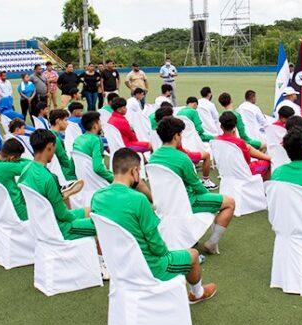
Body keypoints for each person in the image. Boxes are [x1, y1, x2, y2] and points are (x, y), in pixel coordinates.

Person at [91, 147, 217, 303]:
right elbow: (157, 247)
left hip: (119, 267)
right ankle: (197, 294)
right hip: (149, 268)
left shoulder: (97, 198)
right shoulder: (138, 200)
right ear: (134, 171)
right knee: (193, 255)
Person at [150, 117, 234, 253]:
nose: (181, 137)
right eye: (181, 134)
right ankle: (212, 243)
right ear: (176, 136)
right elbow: (197, 187)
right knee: (229, 203)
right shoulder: (182, 158)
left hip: (165, 204)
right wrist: (213, 200)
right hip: (186, 202)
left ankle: (192, 237)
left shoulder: (154, 157)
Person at [18, 130, 95, 242]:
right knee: (101, 223)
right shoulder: (49, 178)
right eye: (55, 147)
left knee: (92, 210)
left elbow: (22, 199)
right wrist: (76, 218)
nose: (54, 152)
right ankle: (98, 256)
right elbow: (63, 215)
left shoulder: (26, 170)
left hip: (43, 225)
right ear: (49, 146)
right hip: (60, 229)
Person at [154, 107, 216, 189]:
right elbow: (197, 187)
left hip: (167, 161)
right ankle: (206, 181)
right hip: (181, 158)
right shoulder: (182, 157)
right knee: (206, 155)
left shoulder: (154, 154)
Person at [0, 137, 31, 220]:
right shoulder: (4, 167)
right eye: (17, 159)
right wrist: (20, 160)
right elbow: (31, 165)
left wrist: (17, 159)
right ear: (11, 158)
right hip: (17, 209)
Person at [217, 111, 271, 180]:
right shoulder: (239, 143)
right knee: (268, 163)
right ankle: (263, 188)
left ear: (221, 126)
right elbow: (247, 161)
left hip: (226, 172)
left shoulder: (215, 140)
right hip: (243, 173)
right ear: (235, 126)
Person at [73, 112, 114, 184]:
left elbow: (72, 163)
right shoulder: (96, 140)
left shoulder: (77, 139)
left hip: (81, 180)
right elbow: (98, 168)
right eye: (100, 122)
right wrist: (112, 178)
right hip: (94, 180)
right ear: (95, 126)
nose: (101, 124)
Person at [49, 108, 78, 181]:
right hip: (62, 175)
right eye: (65, 120)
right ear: (58, 121)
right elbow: (65, 162)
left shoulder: (49, 134)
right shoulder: (55, 139)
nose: (67, 123)